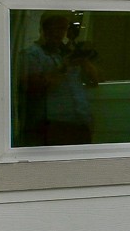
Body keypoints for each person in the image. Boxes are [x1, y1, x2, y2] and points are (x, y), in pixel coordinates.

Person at [14, 12, 100, 146]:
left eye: (63, 28)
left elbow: (95, 81)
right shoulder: (32, 55)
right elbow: (33, 89)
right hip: (53, 126)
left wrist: (84, 60)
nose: (59, 33)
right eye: (56, 28)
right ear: (43, 29)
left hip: (81, 122)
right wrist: (63, 67)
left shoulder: (66, 53)